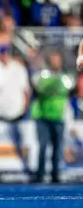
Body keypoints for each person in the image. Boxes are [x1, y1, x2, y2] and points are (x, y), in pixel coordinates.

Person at [31, 52, 73, 183]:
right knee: (43, 147)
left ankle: (55, 174)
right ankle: (40, 174)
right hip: (43, 116)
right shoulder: (43, 75)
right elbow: (42, 89)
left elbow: (68, 89)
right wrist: (55, 85)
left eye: (58, 60)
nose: (56, 62)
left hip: (58, 116)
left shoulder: (66, 77)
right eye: (53, 60)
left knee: (57, 148)